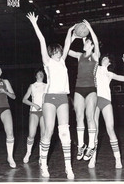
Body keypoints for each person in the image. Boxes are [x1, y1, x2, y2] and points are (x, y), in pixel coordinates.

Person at [26, 12, 75, 179]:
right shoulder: (47, 61)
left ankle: (68, 167)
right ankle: (43, 163)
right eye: (57, 51)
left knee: (65, 132)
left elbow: (68, 44)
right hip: (49, 99)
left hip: (62, 98)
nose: (60, 52)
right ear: (52, 52)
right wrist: (34, 24)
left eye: (61, 51)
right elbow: (42, 40)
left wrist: (70, 32)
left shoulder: (62, 61)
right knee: (48, 131)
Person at [88, 54, 124, 169]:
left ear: (110, 62)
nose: (104, 58)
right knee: (94, 131)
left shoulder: (109, 74)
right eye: (103, 57)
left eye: (106, 58)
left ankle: (117, 159)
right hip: (95, 101)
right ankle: (93, 158)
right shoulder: (95, 69)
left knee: (110, 129)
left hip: (106, 101)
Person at [68, 20, 100, 161]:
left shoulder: (95, 56)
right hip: (79, 88)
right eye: (85, 41)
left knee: (90, 117)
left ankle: (91, 146)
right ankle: (81, 145)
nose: (85, 43)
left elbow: (97, 43)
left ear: (91, 45)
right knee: (78, 117)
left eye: (87, 42)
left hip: (91, 89)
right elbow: (66, 51)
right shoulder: (79, 55)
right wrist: (72, 35)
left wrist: (90, 28)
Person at [22, 69, 46, 164]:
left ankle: (41, 156)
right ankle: (28, 153)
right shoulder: (32, 86)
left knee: (43, 136)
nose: (40, 74)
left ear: (43, 76)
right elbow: (24, 100)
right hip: (34, 112)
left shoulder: (47, 86)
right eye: (38, 73)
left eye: (41, 73)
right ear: (36, 76)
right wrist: (34, 105)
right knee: (31, 134)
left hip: (44, 112)